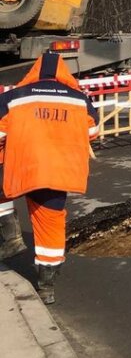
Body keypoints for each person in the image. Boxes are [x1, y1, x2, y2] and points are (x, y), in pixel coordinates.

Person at [0, 51, 99, 304]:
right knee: (50, 223)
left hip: (24, 167)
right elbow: (93, 131)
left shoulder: (13, 97)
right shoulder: (80, 99)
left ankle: (10, 237)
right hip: (59, 170)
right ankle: (47, 285)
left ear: (34, 71)